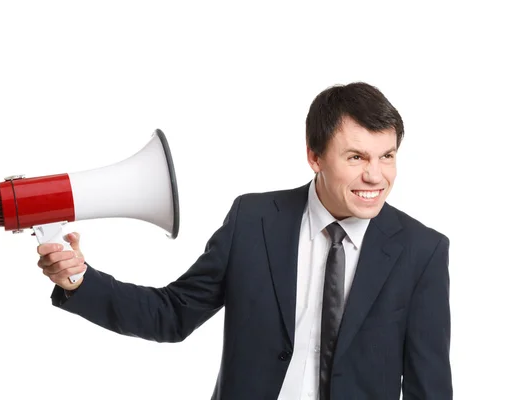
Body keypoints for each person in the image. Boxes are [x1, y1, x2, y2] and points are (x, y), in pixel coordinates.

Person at [37, 82, 452, 400]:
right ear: (314, 156)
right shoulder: (252, 221)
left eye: (388, 156)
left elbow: (428, 386)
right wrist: (80, 281)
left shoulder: (423, 251)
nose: (376, 176)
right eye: (356, 157)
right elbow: (172, 314)